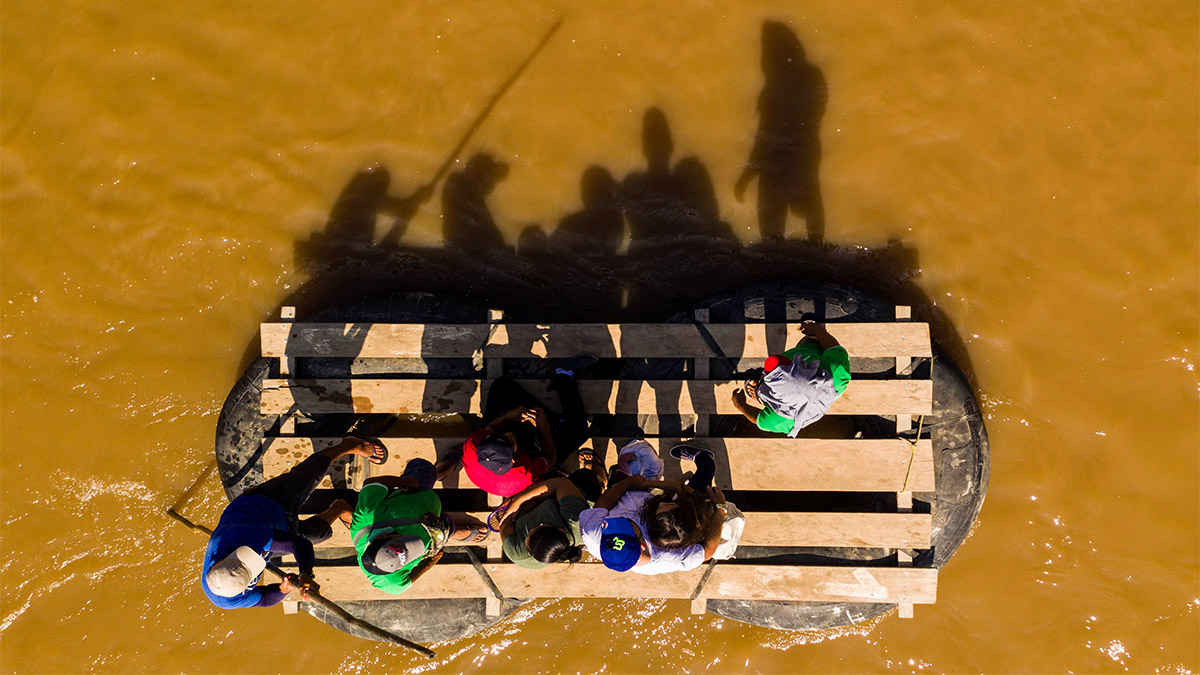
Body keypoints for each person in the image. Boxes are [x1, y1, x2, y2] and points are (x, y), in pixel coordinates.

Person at [200, 436, 386, 609]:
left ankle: (349, 445)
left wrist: (306, 573)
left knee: (308, 476)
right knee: (317, 534)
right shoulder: (226, 599)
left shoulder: (238, 536)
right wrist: (284, 589)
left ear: (220, 560)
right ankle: (339, 508)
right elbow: (264, 599)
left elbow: (298, 543)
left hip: (265, 503)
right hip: (277, 529)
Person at [461, 358, 598, 499]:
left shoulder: (472, 445)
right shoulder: (524, 473)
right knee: (580, 431)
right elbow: (550, 458)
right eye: (509, 440)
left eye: (502, 436)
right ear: (514, 459)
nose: (510, 434)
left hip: (506, 443)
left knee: (501, 385)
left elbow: (491, 427)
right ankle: (563, 376)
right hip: (532, 453)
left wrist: (508, 416)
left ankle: (557, 421)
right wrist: (545, 428)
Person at [579, 445, 727, 574]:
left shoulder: (593, 533)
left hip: (627, 490)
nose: (620, 520)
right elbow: (707, 552)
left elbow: (601, 506)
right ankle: (703, 459)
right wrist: (720, 510)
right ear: (643, 544)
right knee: (706, 472)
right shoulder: (669, 556)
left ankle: (614, 474)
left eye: (610, 527)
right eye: (627, 526)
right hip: (665, 505)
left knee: (632, 453)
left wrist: (627, 482)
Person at [350, 458, 488, 594]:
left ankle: (437, 475)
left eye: (402, 540)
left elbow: (371, 484)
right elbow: (406, 582)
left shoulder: (367, 518)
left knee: (423, 468)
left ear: (382, 536)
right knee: (445, 527)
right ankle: (451, 531)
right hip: (433, 525)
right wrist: (429, 563)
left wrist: (405, 483)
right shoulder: (391, 583)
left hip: (411, 496)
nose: (411, 543)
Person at [731, 321, 851, 436]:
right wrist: (818, 330)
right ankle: (764, 393)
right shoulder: (833, 373)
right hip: (814, 353)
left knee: (766, 395)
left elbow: (761, 421)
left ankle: (762, 396)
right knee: (821, 346)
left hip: (807, 359)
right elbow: (834, 348)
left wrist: (740, 405)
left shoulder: (781, 417)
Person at [496, 477, 588, 568]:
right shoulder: (576, 521)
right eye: (540, 526)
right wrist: (520, 500)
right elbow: (560, 483)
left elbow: (504, 525)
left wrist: (520, 504)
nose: (531, 529)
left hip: (543, 500)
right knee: (586, 479)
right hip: (577, 496)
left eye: (528, 534)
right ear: (561, 530)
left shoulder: (517, 554)